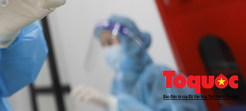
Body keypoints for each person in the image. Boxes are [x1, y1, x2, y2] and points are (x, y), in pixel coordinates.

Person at [72, 14, 207, 111]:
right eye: (103, 45)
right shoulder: (118, 84)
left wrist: (116, 104)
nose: (107, 50)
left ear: (130, 43)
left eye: (110, 42)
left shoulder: (162, 76)